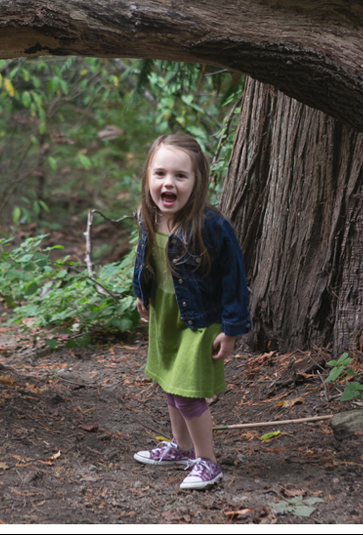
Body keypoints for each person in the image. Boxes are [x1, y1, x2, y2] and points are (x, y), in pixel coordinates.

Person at [131, 133, 251, 490]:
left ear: (197, 183)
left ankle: (207, 461)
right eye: (160, 174)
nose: (168, 183)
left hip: (199, 319)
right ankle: (181, 448)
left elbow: (234, 279)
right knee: (170, 384)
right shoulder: (149, 216)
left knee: (187, 392)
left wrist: (231, 329)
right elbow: (145, 257)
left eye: (180, 176)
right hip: (166, 313)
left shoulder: (212, 226)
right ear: (148, 178)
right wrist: (142, 292)